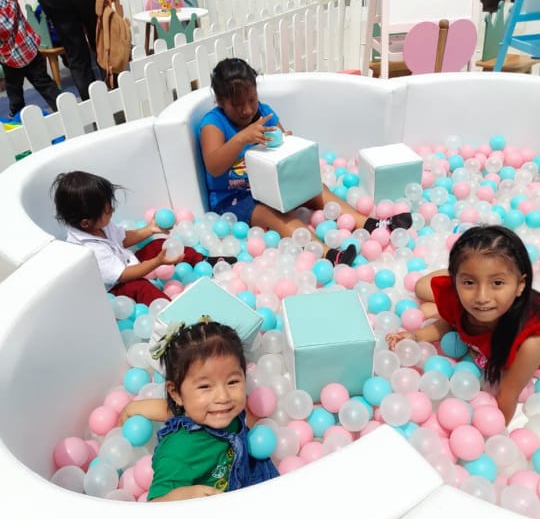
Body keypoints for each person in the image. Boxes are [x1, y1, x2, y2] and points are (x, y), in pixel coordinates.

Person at [198, 58, 412, 265]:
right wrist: (241, 138)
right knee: (274, 215)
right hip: (234, 198)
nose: (246, 110)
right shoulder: (214, 124)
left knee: (316, 189)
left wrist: (285, 141)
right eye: (237, 105)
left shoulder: (263, 112)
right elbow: (214, 167)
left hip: (270, 187)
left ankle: (372, 224)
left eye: (251, 100)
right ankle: (327, 254)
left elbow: (283, 151)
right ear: (220, 101)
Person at [386, 225, 540, 425]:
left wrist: (492, 433)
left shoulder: (530, 341)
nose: (482, 297)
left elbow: (508, 393)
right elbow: (452, 323)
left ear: (520, 285)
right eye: (469, 282)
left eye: (497, 283)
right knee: (421, 287)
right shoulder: (460, 300)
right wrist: (416, 336)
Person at [143, 319, 279, 501]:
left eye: (233, 382)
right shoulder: (178, 451)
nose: (223, 397)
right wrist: (183, 495)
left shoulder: (227, 412)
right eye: (205, 386)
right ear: (176, 393)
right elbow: (154, 504)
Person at [51, 170, 213, 306]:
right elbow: (123, 275)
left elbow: (122, 238)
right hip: (116, 288)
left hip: (128, 264)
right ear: (86, 223)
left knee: (158, 244)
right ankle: (171, 313)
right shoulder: (89, 249)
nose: (112, 209)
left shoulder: (98, 225)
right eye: (107, 211)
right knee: (141, 287)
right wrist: (157, 262)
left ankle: (204, 260)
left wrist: (150, 229)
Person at [0, 0, 60, 117]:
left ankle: (18, 115)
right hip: (29, 48)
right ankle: (61, 105)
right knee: (44, 82)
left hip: (10, 58)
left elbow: (4, 29)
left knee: (14, 90)